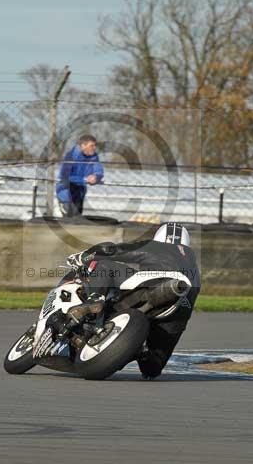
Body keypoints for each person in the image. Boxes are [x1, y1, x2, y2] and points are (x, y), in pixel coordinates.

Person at [67, 222, 200, 380]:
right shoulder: (194, 266)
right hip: (178, 310)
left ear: (159, 238)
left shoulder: (156, 246)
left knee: (106, 266)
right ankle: (139, 351)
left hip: (151, 286)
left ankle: (95, 300)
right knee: (152, 368)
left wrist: (83, 257)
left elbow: (111, 250)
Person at [56, 135, 103, 217]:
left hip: (80, 192)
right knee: (68, 219)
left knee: (77, 220)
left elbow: (98, 170)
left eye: (95, 145)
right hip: (66, 192)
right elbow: (64, 176)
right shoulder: (71, 156)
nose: (94, 148)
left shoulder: (94, 156)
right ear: (83, 146)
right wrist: (85, 179)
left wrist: (96, 177)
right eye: (91, 145)